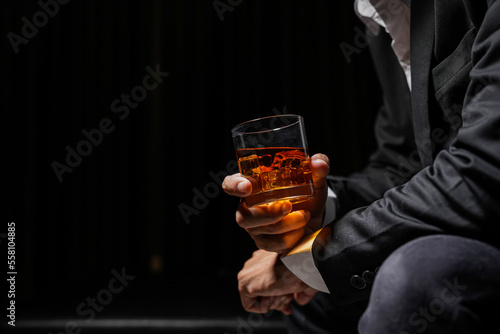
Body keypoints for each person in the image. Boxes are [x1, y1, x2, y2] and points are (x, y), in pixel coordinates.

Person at [223, 0, 500, 333]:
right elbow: (403, 166)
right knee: (314, 296)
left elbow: (483, 170)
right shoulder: (386, 14)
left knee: (412, 275)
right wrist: (321, 210)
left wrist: (315, 260)